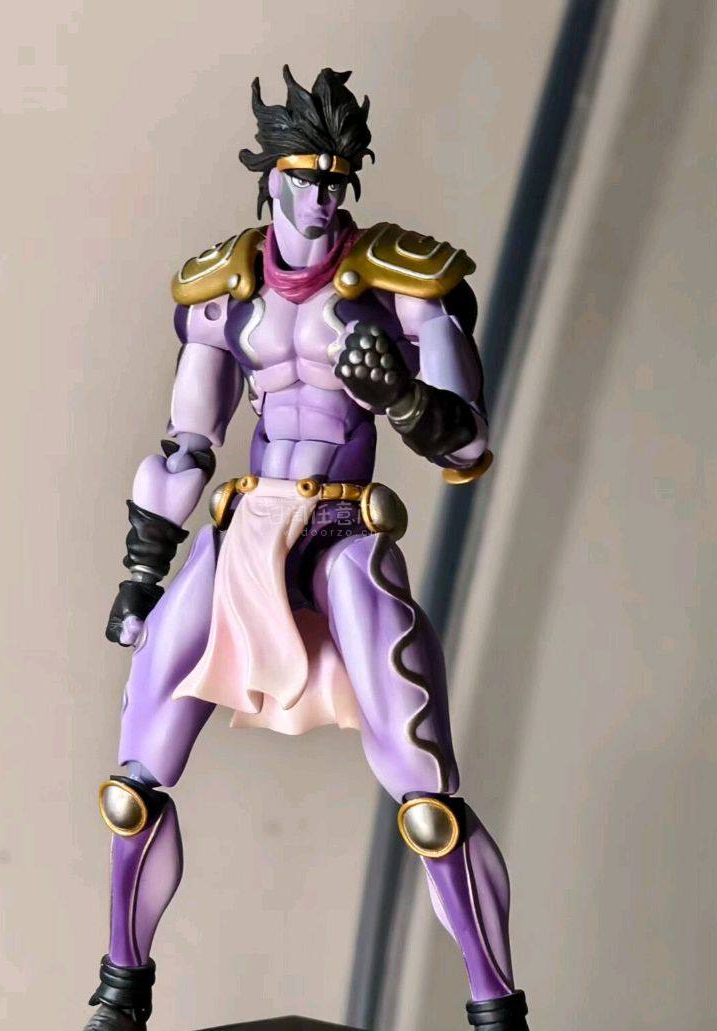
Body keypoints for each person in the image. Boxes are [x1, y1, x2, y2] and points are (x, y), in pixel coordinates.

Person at [84, 66, 529, 1031]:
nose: (323, 197)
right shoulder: (223, 293)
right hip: (245, 529)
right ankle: (121, 990)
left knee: (426, 793)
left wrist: (402, 398)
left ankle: (497, 1008)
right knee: (132, 784)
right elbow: (186, 442)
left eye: (336, 178)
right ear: (270, 177)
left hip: (343, 530)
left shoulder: (402, 284)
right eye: (305, 177)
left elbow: (467, 444)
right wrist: (141, 572)